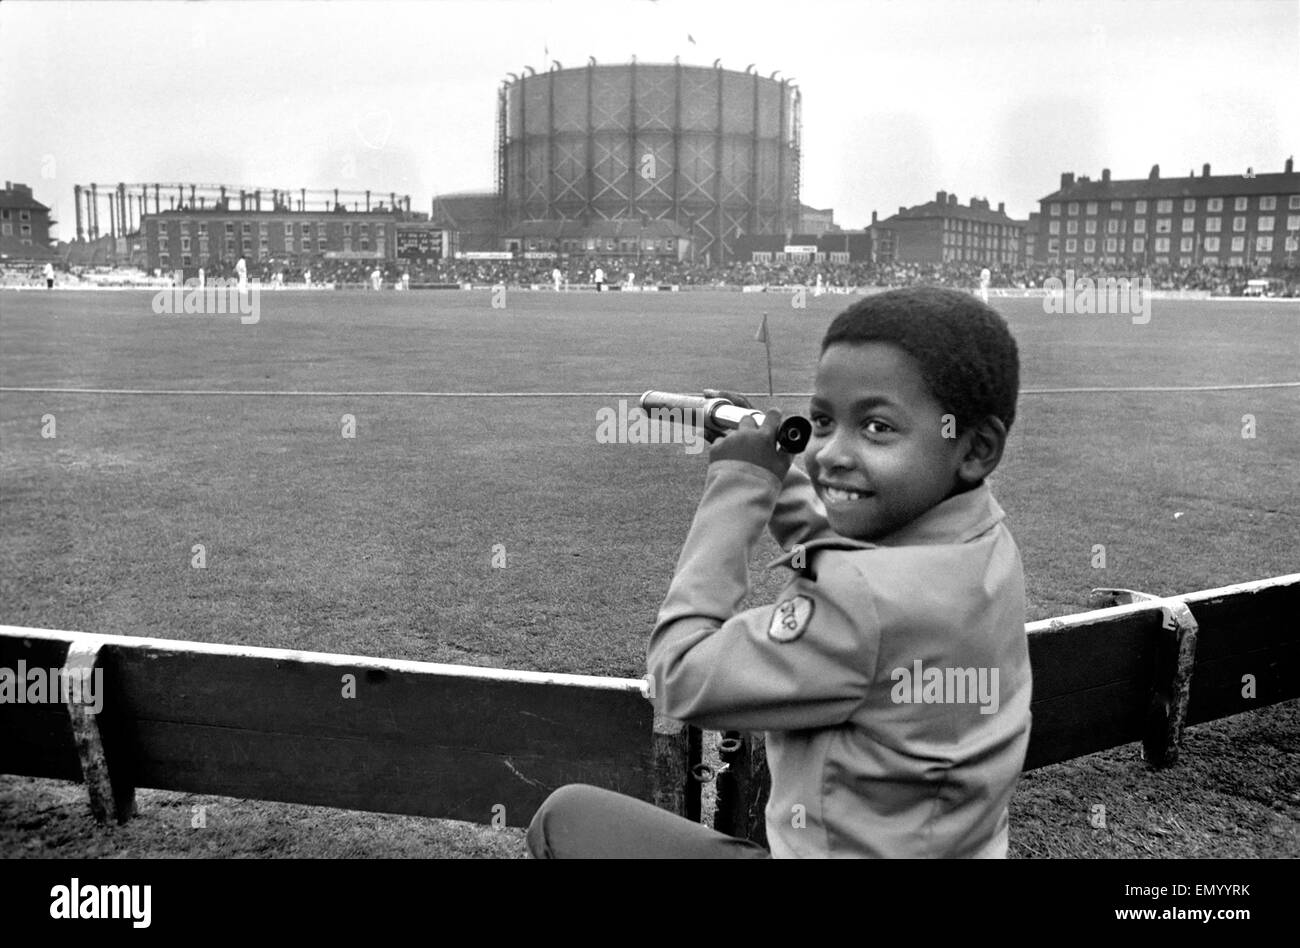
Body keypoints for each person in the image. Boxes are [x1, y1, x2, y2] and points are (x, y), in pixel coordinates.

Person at [527, 286, 1031, 858]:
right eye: (821, 420)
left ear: (976, 446)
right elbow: (850, 555)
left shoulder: (858, 603)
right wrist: (781, 475)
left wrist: (739, 485)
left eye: (877, 427)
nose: (828, 454)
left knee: (564, 817)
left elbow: (679, 673)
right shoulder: (984, 541)